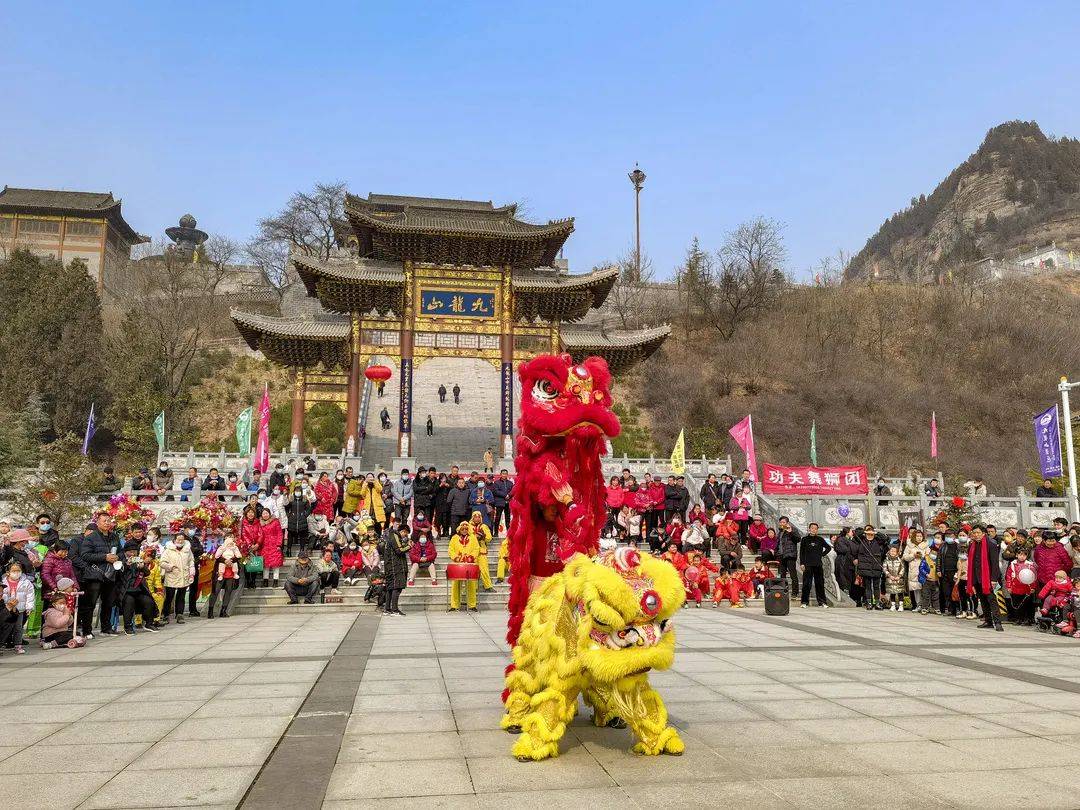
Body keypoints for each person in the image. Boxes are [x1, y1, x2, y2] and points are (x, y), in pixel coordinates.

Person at [72, 516, 119, 638]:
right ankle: (87, 630)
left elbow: (121, 552)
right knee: (90, 604)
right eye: (105, 521)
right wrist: (104, 557)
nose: (107, 523)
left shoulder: (114, 536)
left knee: (108, 602)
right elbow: (85, 555)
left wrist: (118, 558)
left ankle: (106, 628)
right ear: (97, 523)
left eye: (109, 521)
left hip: (110, 574)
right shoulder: (91, 538)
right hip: (94, 575)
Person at [116, 543, 160, 634]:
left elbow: (147, 573)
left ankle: (149, 623)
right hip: (125, 591)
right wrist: (126, 565)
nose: (132, 554)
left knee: (149, 601)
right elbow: (117, 575)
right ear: (125, 552)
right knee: (129, 601)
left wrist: (142, 567)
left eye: (134, 552)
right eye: (130, 552)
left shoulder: (138, 559)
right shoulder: (120, 561)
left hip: (139, 589)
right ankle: (128, 627)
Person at [967, 525, 1003, 630]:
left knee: (991, 599)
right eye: (974, 533)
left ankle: (997, 622)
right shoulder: (972, 545)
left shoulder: (991, 544)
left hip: (988, 578)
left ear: (983, 533)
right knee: (983, 600)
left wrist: (994, 579)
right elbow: (972, 563)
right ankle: (988, 621)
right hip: (977, 577)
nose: (976, 535)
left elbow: (995, 563)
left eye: (978, 532)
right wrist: (972, 580)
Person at [160, 532, 195, 625]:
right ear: (174, 540)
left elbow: (191, 561)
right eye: (178, 539)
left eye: (182, 539)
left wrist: (191, 571)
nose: (180, 541)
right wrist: (170, 567)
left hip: (184, 576)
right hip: (172, 575)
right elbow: (162, 562)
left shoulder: (187, 550)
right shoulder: (168, 550)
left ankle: (180, 614)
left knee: (181, 596)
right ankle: (166, 615)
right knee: (169, 597)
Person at [2, 560, 34, 653]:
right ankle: (4, 643)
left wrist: (29, 607)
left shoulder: (26, 582)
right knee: (6, 627)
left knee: (18, 627)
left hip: (19, 609)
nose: (16, 573)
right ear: (8, 572)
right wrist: (8, 603)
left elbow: (30, 595)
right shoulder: (3, 582)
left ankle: (18, 645)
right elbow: (3, 595)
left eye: (18, 570)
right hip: (7, 609)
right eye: (14, 571)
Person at [208, 535, 242, 618]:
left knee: (228, 591)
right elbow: (217, 557)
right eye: (228, 537)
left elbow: (238, 557)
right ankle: (210, 611)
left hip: (231, 572)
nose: (230, 539)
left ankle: (223, 611)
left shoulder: (235, 547)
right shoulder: (220, 547)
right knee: (215, 591)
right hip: (220, 572)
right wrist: (225, 560)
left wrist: (231, 560)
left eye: (232, 537)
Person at [381, 524, 411, 616]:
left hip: (391, 567)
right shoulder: (395, 536)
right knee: (396, 588)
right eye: (405, 534)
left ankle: (388, 609)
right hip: (395, 567)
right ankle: (394, 609)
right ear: (403, 531)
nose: (405, 536)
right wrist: (409, 546)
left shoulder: (391, 536)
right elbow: (399, 550)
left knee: (390, 588)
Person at [449, 521, 479, 612]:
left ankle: (472, 605)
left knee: (471, 585)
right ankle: (454, 605)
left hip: (470, 565)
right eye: (463, 529)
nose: (465, 530)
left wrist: (471, 557)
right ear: (460, 529)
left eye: (466, 529)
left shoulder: (473, 538)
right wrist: (456, 558)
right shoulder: (454, 538)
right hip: (458, 565)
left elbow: (476, 548)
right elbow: (451, 549)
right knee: (455, 585)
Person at [799, 522, 830, 608]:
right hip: (807, 564)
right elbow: (801, 552)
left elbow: (828, 548)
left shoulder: (820, 539)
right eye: (812, 528)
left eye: (815, 528)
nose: (814, 530)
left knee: (819, 583)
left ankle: (822, 602)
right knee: (806, 584)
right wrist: (802, 563)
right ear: (809, 529)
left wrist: (822, 555)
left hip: (818, 564)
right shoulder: (804, 539)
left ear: (817, 530)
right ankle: (804, 602)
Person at [856, 526, 886, 610]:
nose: (870, 536)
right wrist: (865, 531)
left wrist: (875, 532)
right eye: (868, 534)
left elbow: (886, 538)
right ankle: (869, 602)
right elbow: (856, 534)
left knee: (876, 586)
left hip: (876, 566)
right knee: (868, 586)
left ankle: (877, 603)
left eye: (871, 534)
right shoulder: (861, 540)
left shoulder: (878, 541)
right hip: (865, 567)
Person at [1005, 549, 1038, 625]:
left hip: (1027, 588)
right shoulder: (1012, 564)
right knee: (1017, 604)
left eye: (1024, 555)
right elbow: (1009, 576)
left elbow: (1033, 577)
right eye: (1020, 555)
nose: (1022, 557)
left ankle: (1027, 619)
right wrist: (1009, 586)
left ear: (1026, 556)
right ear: (1017, 555)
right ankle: (1018, 619)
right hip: (1015, 588)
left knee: (1027, 604)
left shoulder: (1030, 565)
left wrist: (1033, 587)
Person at [776, 516, 801, 596]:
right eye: (781, 522)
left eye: (784, 522)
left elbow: (798, 539)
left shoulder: (792, 529)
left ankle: (795, 593)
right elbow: (778, 544)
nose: (782, 524)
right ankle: (783, 591)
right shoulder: (780, 532)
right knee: (782, 574)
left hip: (790, 555)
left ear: (787, 523)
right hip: (781, 555)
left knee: (793, 574)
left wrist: (790, 532)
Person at [883, 546, 905, 611]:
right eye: (891, 551)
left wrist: (899, 576)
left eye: (894, 551)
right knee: (892, 592)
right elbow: (884, 568)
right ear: (889, 551)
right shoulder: (886, 560)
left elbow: (902, 568)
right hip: (890, 579)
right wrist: (889, 575)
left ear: (897, 552)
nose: (893, 552)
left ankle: (901, 605)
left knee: (900, 592)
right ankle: (893, 605)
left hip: (899, 579)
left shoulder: (900, 560)